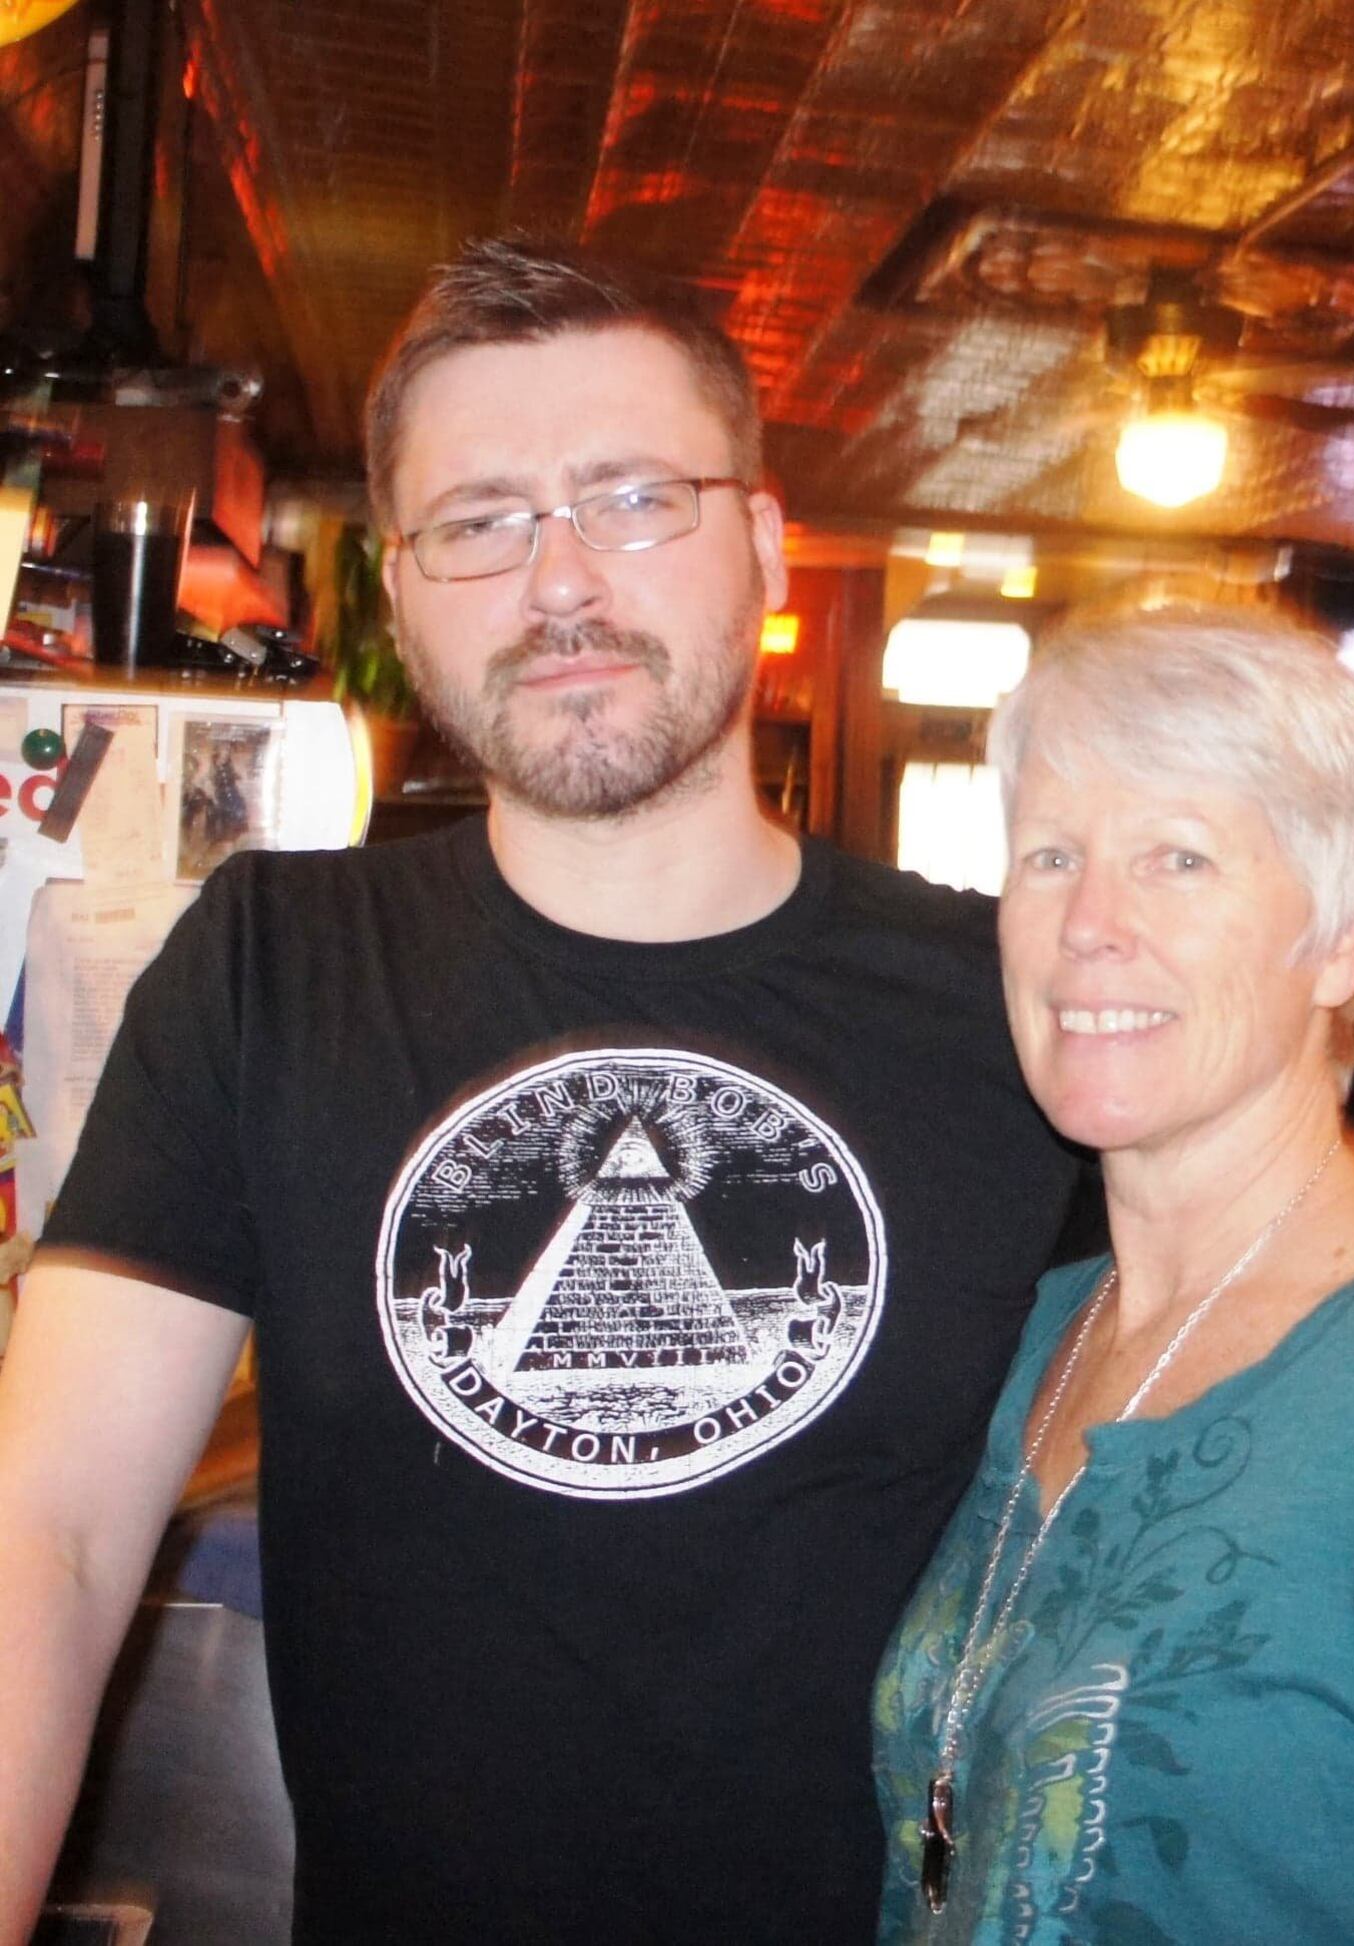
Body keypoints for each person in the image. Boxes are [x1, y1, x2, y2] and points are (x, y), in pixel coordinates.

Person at [0, 239, 1096, 1946]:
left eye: (635, 497)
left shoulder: (1013, 1005)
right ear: (399, 590)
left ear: (763, 539)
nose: (561, 581)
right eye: (481, 518)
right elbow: (47, 1539)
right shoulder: (270, 966)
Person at [874, 605, 1354, 1944]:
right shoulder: (1038, 1328)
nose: (1090, 922)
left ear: (1343, 931)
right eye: (1051, 855)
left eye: (1179, 857)